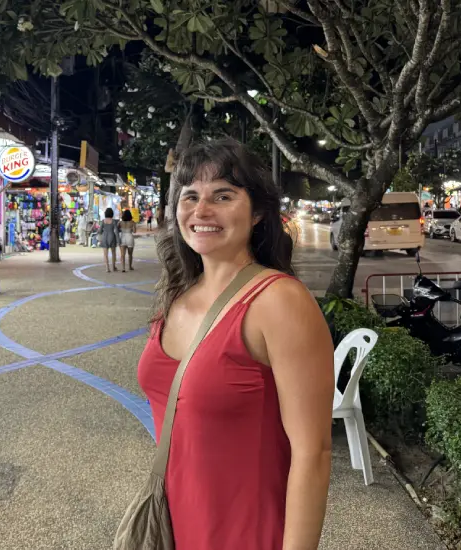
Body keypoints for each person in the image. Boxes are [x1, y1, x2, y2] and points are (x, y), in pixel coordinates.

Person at [136, 140, 334, 549]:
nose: (202, 211)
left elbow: (312, 453)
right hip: (177, 524)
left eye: (223, 196)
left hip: (248, 532)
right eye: (190, 196)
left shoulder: (278, 302)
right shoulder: (176, 295)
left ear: (258, 212)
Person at [99, 207, 119, 272]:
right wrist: (118, 240)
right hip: (112, 236)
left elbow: (100, 231)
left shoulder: (103, 221)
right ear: (112, 214)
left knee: (105, 254)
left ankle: (107, 268)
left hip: (104, 237)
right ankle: (113, 267)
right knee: (113, 253)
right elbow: (116, 231)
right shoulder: (113, 221)